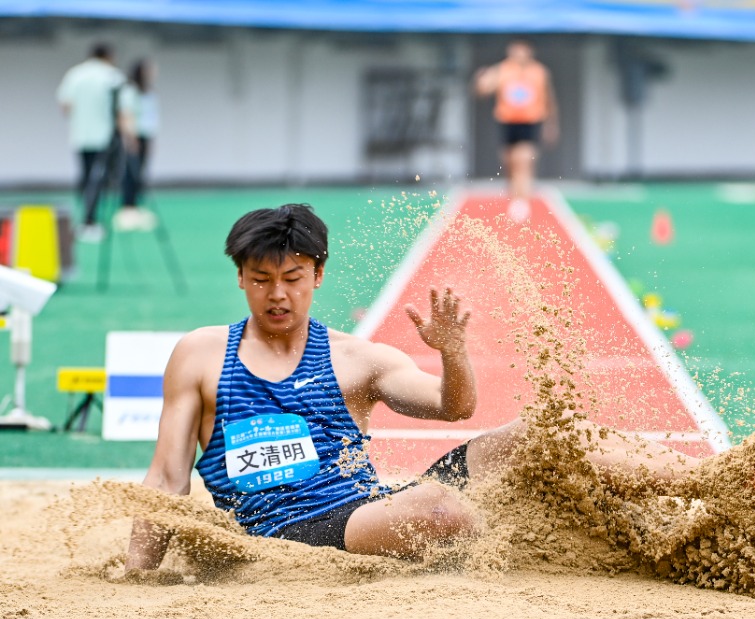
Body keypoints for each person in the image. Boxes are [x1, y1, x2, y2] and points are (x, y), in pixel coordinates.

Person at [125, 204, 698, 569]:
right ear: (241, 279)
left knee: (542, 434)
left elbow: (454, 408)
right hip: (291, 534)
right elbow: (167, 478)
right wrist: (138, 575)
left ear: (317, 276)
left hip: (372, 511)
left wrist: (452, 353)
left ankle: (710, 483)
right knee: (436, 509)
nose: (278, 295)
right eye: (261, 280)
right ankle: (589, 545)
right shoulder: (201, 356)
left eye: (293, 278)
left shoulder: (357, 359)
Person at [473, 39, 559, 222]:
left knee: (524, 160)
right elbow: (484, 89)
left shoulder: (539, 72)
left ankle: (522, 201)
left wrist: (551, 124)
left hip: (530, 122)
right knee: (509, 162)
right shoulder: (502, 70)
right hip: (508, 122)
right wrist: (479, 81)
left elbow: (549, 100)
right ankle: (514, 195)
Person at [56, 42, 127, 243]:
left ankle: (86, 219)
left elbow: (65, 105)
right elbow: (122, 109)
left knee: (86, 176)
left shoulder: (74, 74)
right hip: (104, 136)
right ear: (108, 56)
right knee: (98, 178)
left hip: (80, 134)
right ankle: (90, 220)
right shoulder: (113, 76)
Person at [114, 58, 160, 232]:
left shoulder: (148, 91)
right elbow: (125, 114)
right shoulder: (130, 91)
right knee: (130, 172)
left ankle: (136, 207)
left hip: (146, 135)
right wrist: (130, 137)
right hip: (134, 136)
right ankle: (127, 207)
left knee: (140, 172)